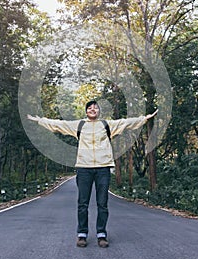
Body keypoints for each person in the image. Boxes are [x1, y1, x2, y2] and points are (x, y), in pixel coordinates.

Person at [27, 100, 158, 248]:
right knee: (83, 203)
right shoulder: (79, 125)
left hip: (103, 168)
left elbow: (126, 123)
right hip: (84, 168)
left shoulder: (107, 125)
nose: (93, 109)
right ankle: (82, 234)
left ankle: (101, 234)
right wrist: (39, 120)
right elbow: (58, 125)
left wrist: (145, 118)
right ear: (86, 111)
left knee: (102, 203)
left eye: (95, 107)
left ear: (99, 111)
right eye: (90, 107)